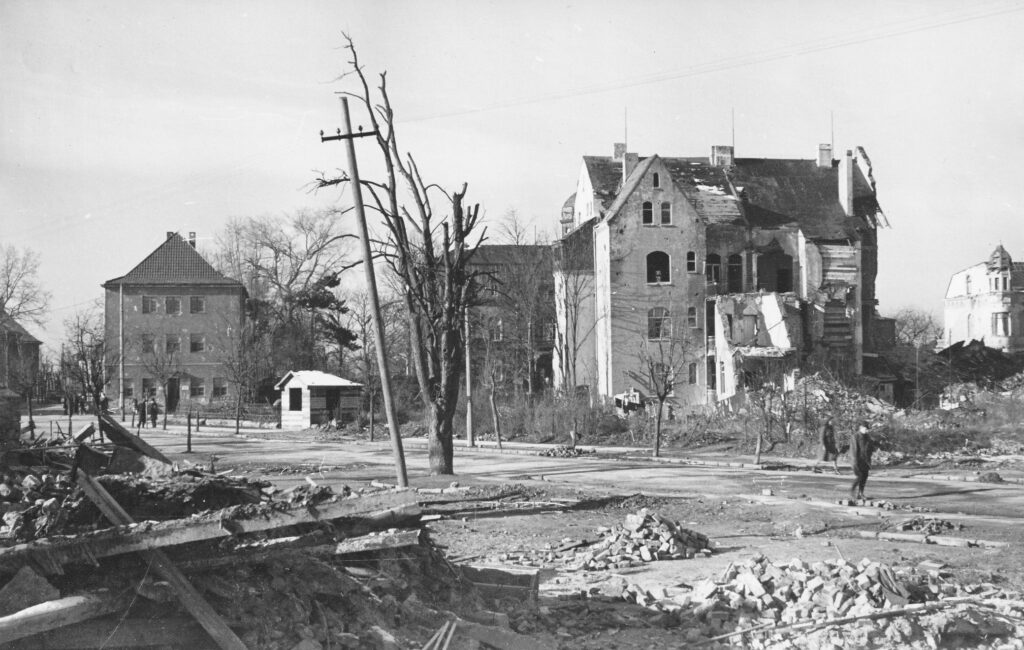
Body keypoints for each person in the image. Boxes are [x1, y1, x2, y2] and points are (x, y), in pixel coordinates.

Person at [850, 422, 876, 501]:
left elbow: (870, 447)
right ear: (861, 428)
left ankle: (860, 494)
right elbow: (854, 450)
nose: (867, 430)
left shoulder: (867, 437)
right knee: (859, 476)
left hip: (866, 460)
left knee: (864, 477)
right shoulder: (855, 437)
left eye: (867, 429)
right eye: (865, 429)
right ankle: (852, 491)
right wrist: (855, 462)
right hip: (858, 460)